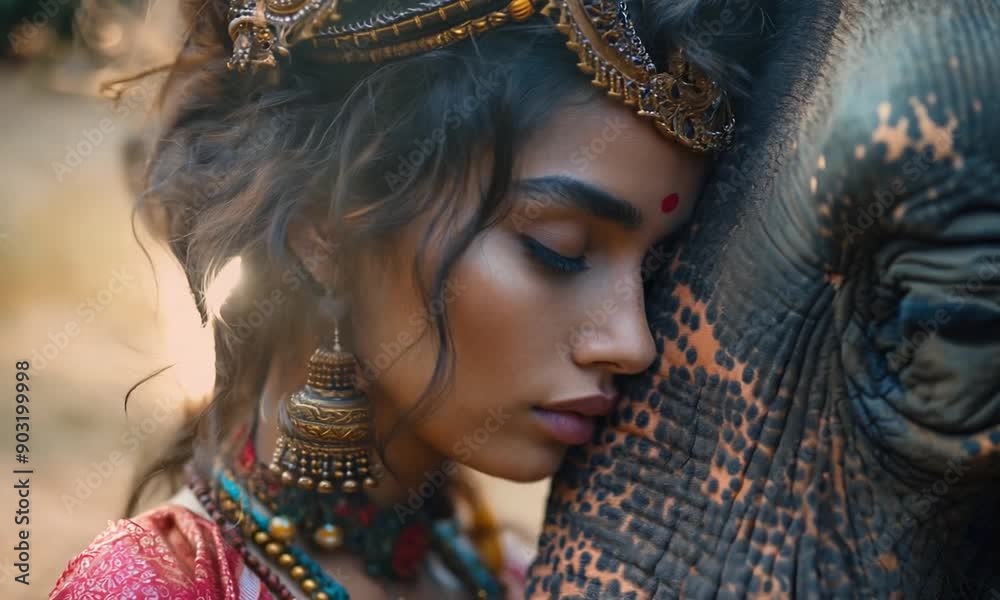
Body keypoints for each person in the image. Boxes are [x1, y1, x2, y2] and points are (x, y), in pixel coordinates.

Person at [50, 0, 739, 598]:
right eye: (558, 248)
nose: (632, 340)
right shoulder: (151, 589)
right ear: (323, 231)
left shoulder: (523, 577)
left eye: (652, 274)